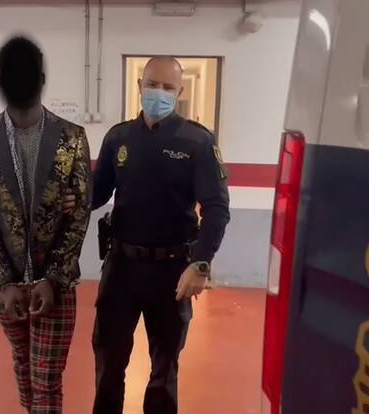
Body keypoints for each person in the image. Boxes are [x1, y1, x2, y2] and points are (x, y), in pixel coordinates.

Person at [65, 56, 230, 414]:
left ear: (179, 92)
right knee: (108, 364)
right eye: (153, 84)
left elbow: (217, 208)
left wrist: (200, 264)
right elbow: (97, 193)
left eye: (168, 87)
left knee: (163, 371)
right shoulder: (119, 137)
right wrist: (71, 197)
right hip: (121, 268)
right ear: (140, 86)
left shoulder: (197, 141)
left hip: (172, 272)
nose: (159, 93)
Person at [0, 36, 92, 414]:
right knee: (23, 365)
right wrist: (4, 283)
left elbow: (79, 213)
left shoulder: (72, 138)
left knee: (46, 377)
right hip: (7, 284)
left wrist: (52, 278)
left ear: (41, 79)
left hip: (56, 282)